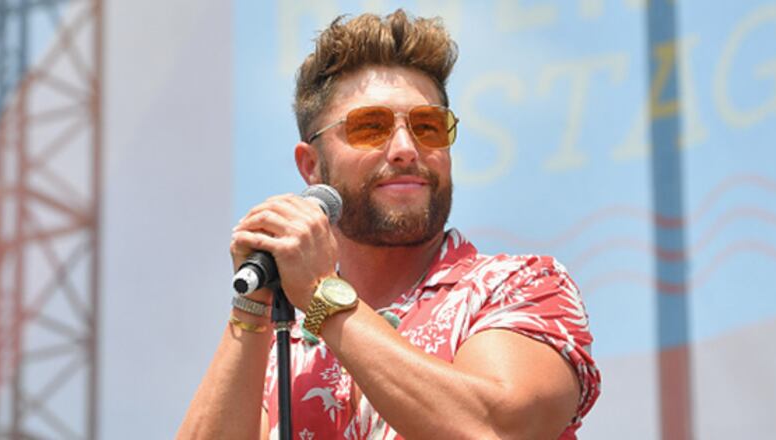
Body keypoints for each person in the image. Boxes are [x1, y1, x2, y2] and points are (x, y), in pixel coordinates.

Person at [178, 9, 600, 440]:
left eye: (428, 126)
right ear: (311, 165)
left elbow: (498, 429)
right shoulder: (280, 341)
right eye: (370, 127)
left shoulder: (519, 287)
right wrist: (253, 308)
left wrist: (324, 296)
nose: (405, 148)